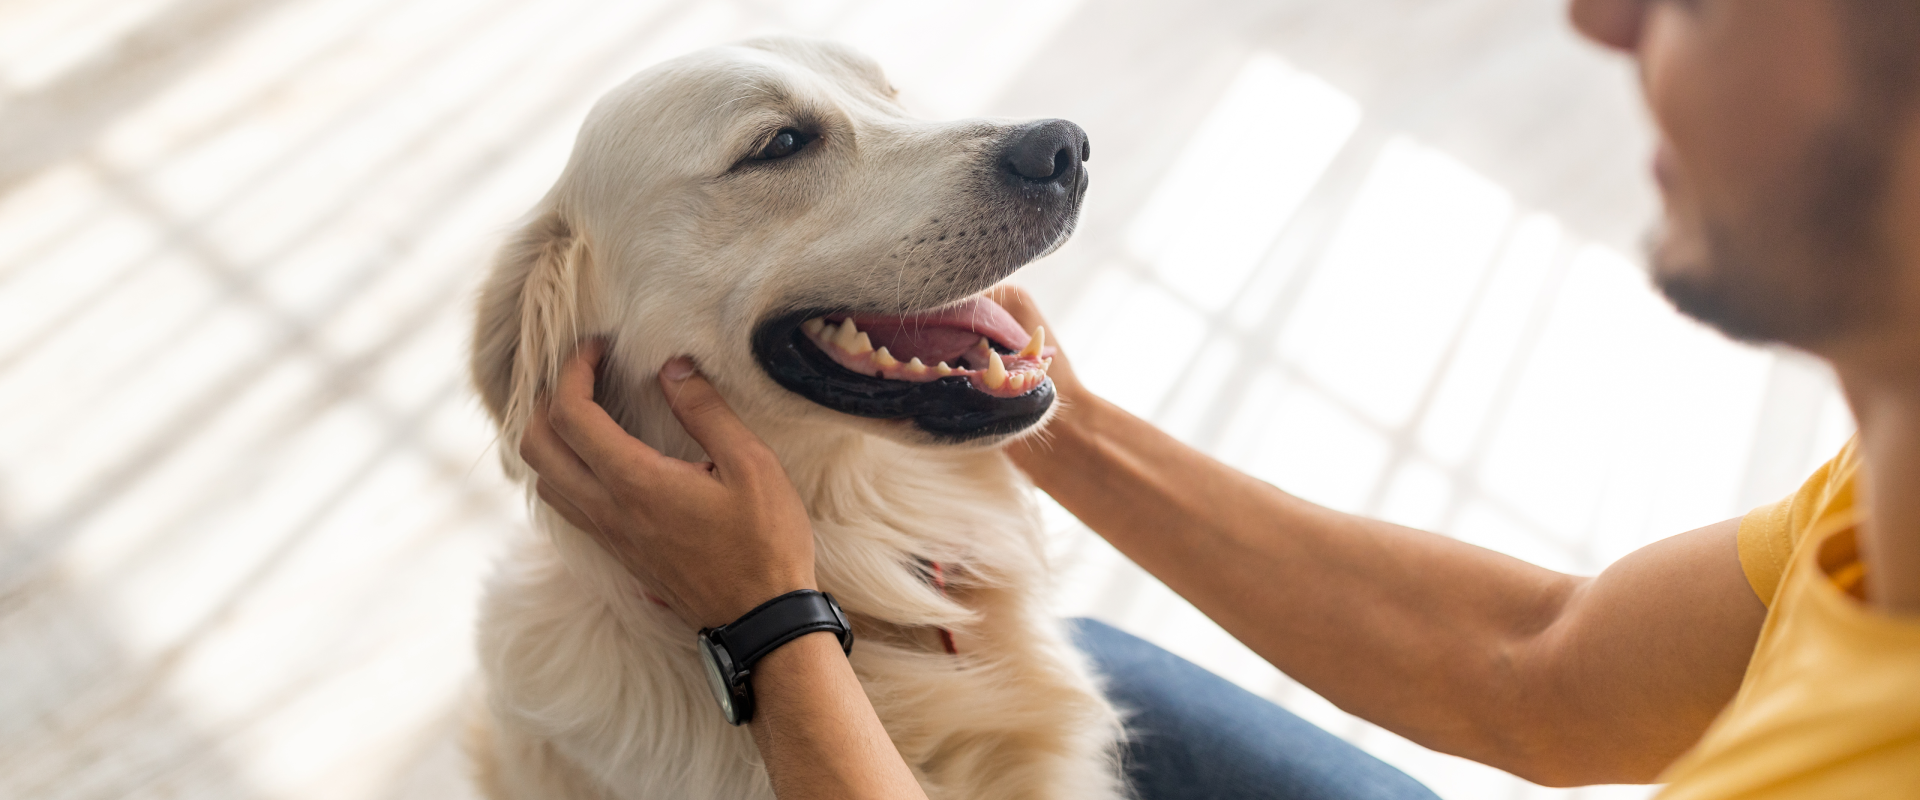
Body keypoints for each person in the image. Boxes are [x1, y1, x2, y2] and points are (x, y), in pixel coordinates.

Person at [515, 1, 1920, 797]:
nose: (1601, 15)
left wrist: (771, 631)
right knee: (1055, 673)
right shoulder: (1879, 499)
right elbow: (1538, 664)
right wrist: (1045, 407)